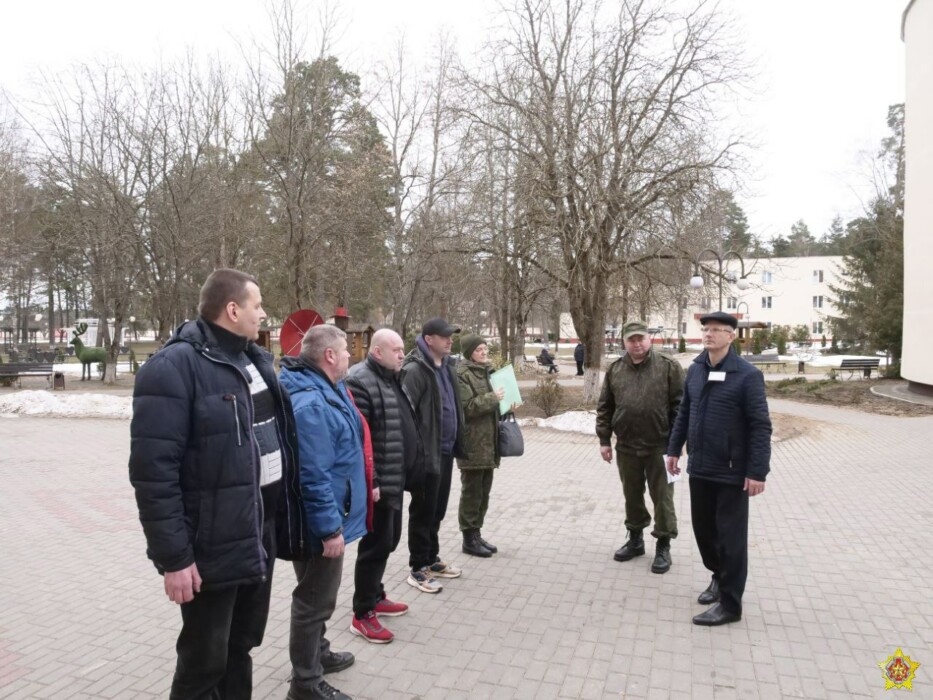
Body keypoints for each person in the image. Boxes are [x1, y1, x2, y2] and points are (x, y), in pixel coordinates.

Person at [129, 268, 302, 699]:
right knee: (204, 661)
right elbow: (154, 476)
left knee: (241, 647)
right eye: (257, 305)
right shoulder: (172, 369)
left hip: (256, 534)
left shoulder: (255, 361)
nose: (264, 314)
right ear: (232, 309)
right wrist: (174, 559)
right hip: (209, 547)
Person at [666, 311, 772, 627]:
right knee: (704, 533)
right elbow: (684, 411)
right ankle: (718, 576)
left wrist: (757, 471)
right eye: (706, 329)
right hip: (700, 466)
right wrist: (673, 449)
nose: (708, 334)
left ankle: (730, 605)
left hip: (731, 471)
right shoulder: (696, 370)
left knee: (731, 539)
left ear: (731, 336)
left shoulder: (747, 375)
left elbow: (760, 425)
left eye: (716, 330)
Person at [279, 325, 368, 700]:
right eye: (345, 349)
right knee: (314, 601)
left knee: (317, 595)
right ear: (329, 355)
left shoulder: (329, 389)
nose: (350, 354)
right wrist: (331, 529)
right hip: (321, 521)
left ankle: (319, 654)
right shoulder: (312, 401)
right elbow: (313, 474)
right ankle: (306, 682)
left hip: (329, 514)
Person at [345, 329, 419, 644]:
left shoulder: (391, 377)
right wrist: (372, 482)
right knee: (375, 547)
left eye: (403, 349)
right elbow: (361, 438)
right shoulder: (360, 380)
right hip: (378, 485)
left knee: (389, 541)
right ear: (378, 352)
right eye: (397, 349)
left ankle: (375, 594)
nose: (403, 354)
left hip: (395, 479)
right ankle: (362, 613)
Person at [596, 320, 685, 574]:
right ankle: (635, 540)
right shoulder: (615, 369)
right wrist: (604, 440)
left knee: (663, 498)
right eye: (631, 339)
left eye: (641, 338)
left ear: (649, 340)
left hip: (661, 447)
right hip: (626, 446)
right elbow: (605, 407)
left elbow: (681, 407)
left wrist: (676, 446)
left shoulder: (668, 367)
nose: (637, 343)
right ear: (624, 342)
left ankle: (663, 546)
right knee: (632, 496)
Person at [403, 317, 465, 593]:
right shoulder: (416, 370)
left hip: (446, 451)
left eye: (451, 336)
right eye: (444, 336)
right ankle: (418, 567)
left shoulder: (447, 366)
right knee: (423, 510)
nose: (450, 340)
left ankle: (431, 557)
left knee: (437, 509)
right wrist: (416, 453)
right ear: (429, 339)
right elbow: (406, 415)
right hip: (426, 455)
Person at [456, 334, 505, 557]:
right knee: (472, 492)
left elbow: (494, 404)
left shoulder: (487, 371)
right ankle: (468, 539)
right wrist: (494, 398)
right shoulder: (461, 374)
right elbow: (468, 407)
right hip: (472, 443)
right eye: (479, 350)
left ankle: (476, 533)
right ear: (469, 353)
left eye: (485, 348)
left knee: (484, 492)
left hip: (488, 443)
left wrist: (507, 403)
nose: (484, 352)